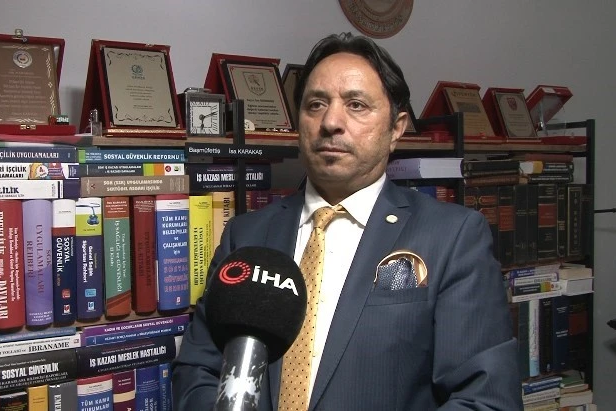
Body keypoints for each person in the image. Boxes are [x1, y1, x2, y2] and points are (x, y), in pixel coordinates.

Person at [171, 32, 521, 410]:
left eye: (356, 105)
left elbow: (485, 399)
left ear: (397, 128)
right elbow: (197, 371)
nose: (331, 121)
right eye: (316, 104)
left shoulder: (453, 238)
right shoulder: (245, 236)